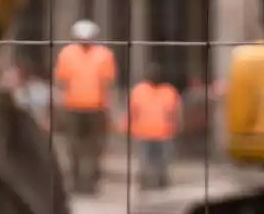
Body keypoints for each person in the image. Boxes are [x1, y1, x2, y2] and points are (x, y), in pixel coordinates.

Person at [54, 18, 116, 194]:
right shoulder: (66, 54)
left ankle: (92, 182)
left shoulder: (104, 55)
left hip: (96, 107)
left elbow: (107, 83)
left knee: (95, 147)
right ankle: (75, 181)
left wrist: (108, 106)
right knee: (73, 146)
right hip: (72, 107)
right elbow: (61, 82)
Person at [128, 62, 181, 190]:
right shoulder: (138, 91)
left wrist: (177, 127)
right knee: (145, 162)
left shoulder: (169, 91)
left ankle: (162, 182)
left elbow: (176, 112)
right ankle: (145, 183)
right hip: (144, 134)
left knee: (163, 162)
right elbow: (133, 112)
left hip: (164, 134)